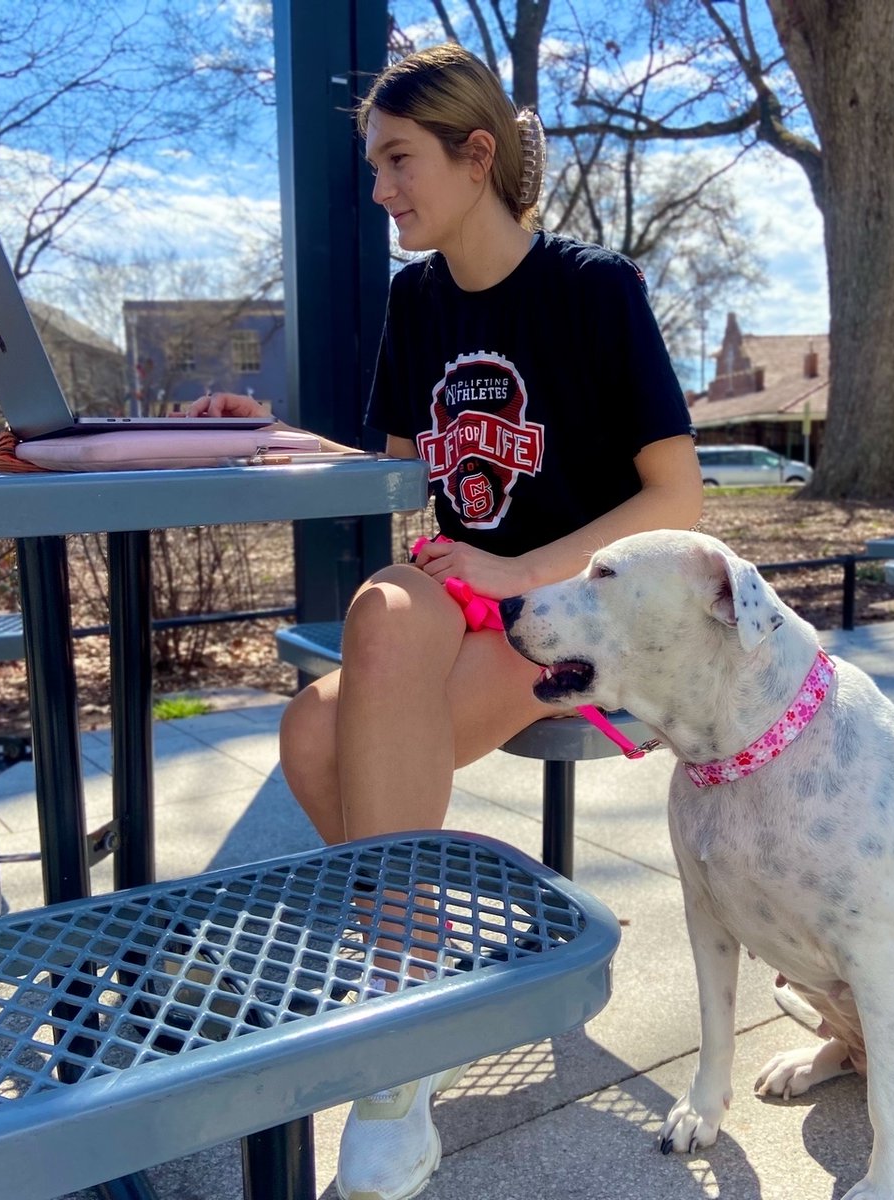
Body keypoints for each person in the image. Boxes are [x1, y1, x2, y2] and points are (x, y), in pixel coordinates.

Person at [190, 42, 703, 1200]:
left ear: (477, 158)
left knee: (326, 726)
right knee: (347, 667)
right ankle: (416, 1017)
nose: (380, 190)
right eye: (375, 165)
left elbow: (677, 496)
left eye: (397, 160)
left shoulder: (592, 290)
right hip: (464, 593)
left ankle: (393, 1061)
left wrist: (520, 572)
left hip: (581, 613)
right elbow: (390, 470)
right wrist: (260, 432)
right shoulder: (414, 301)